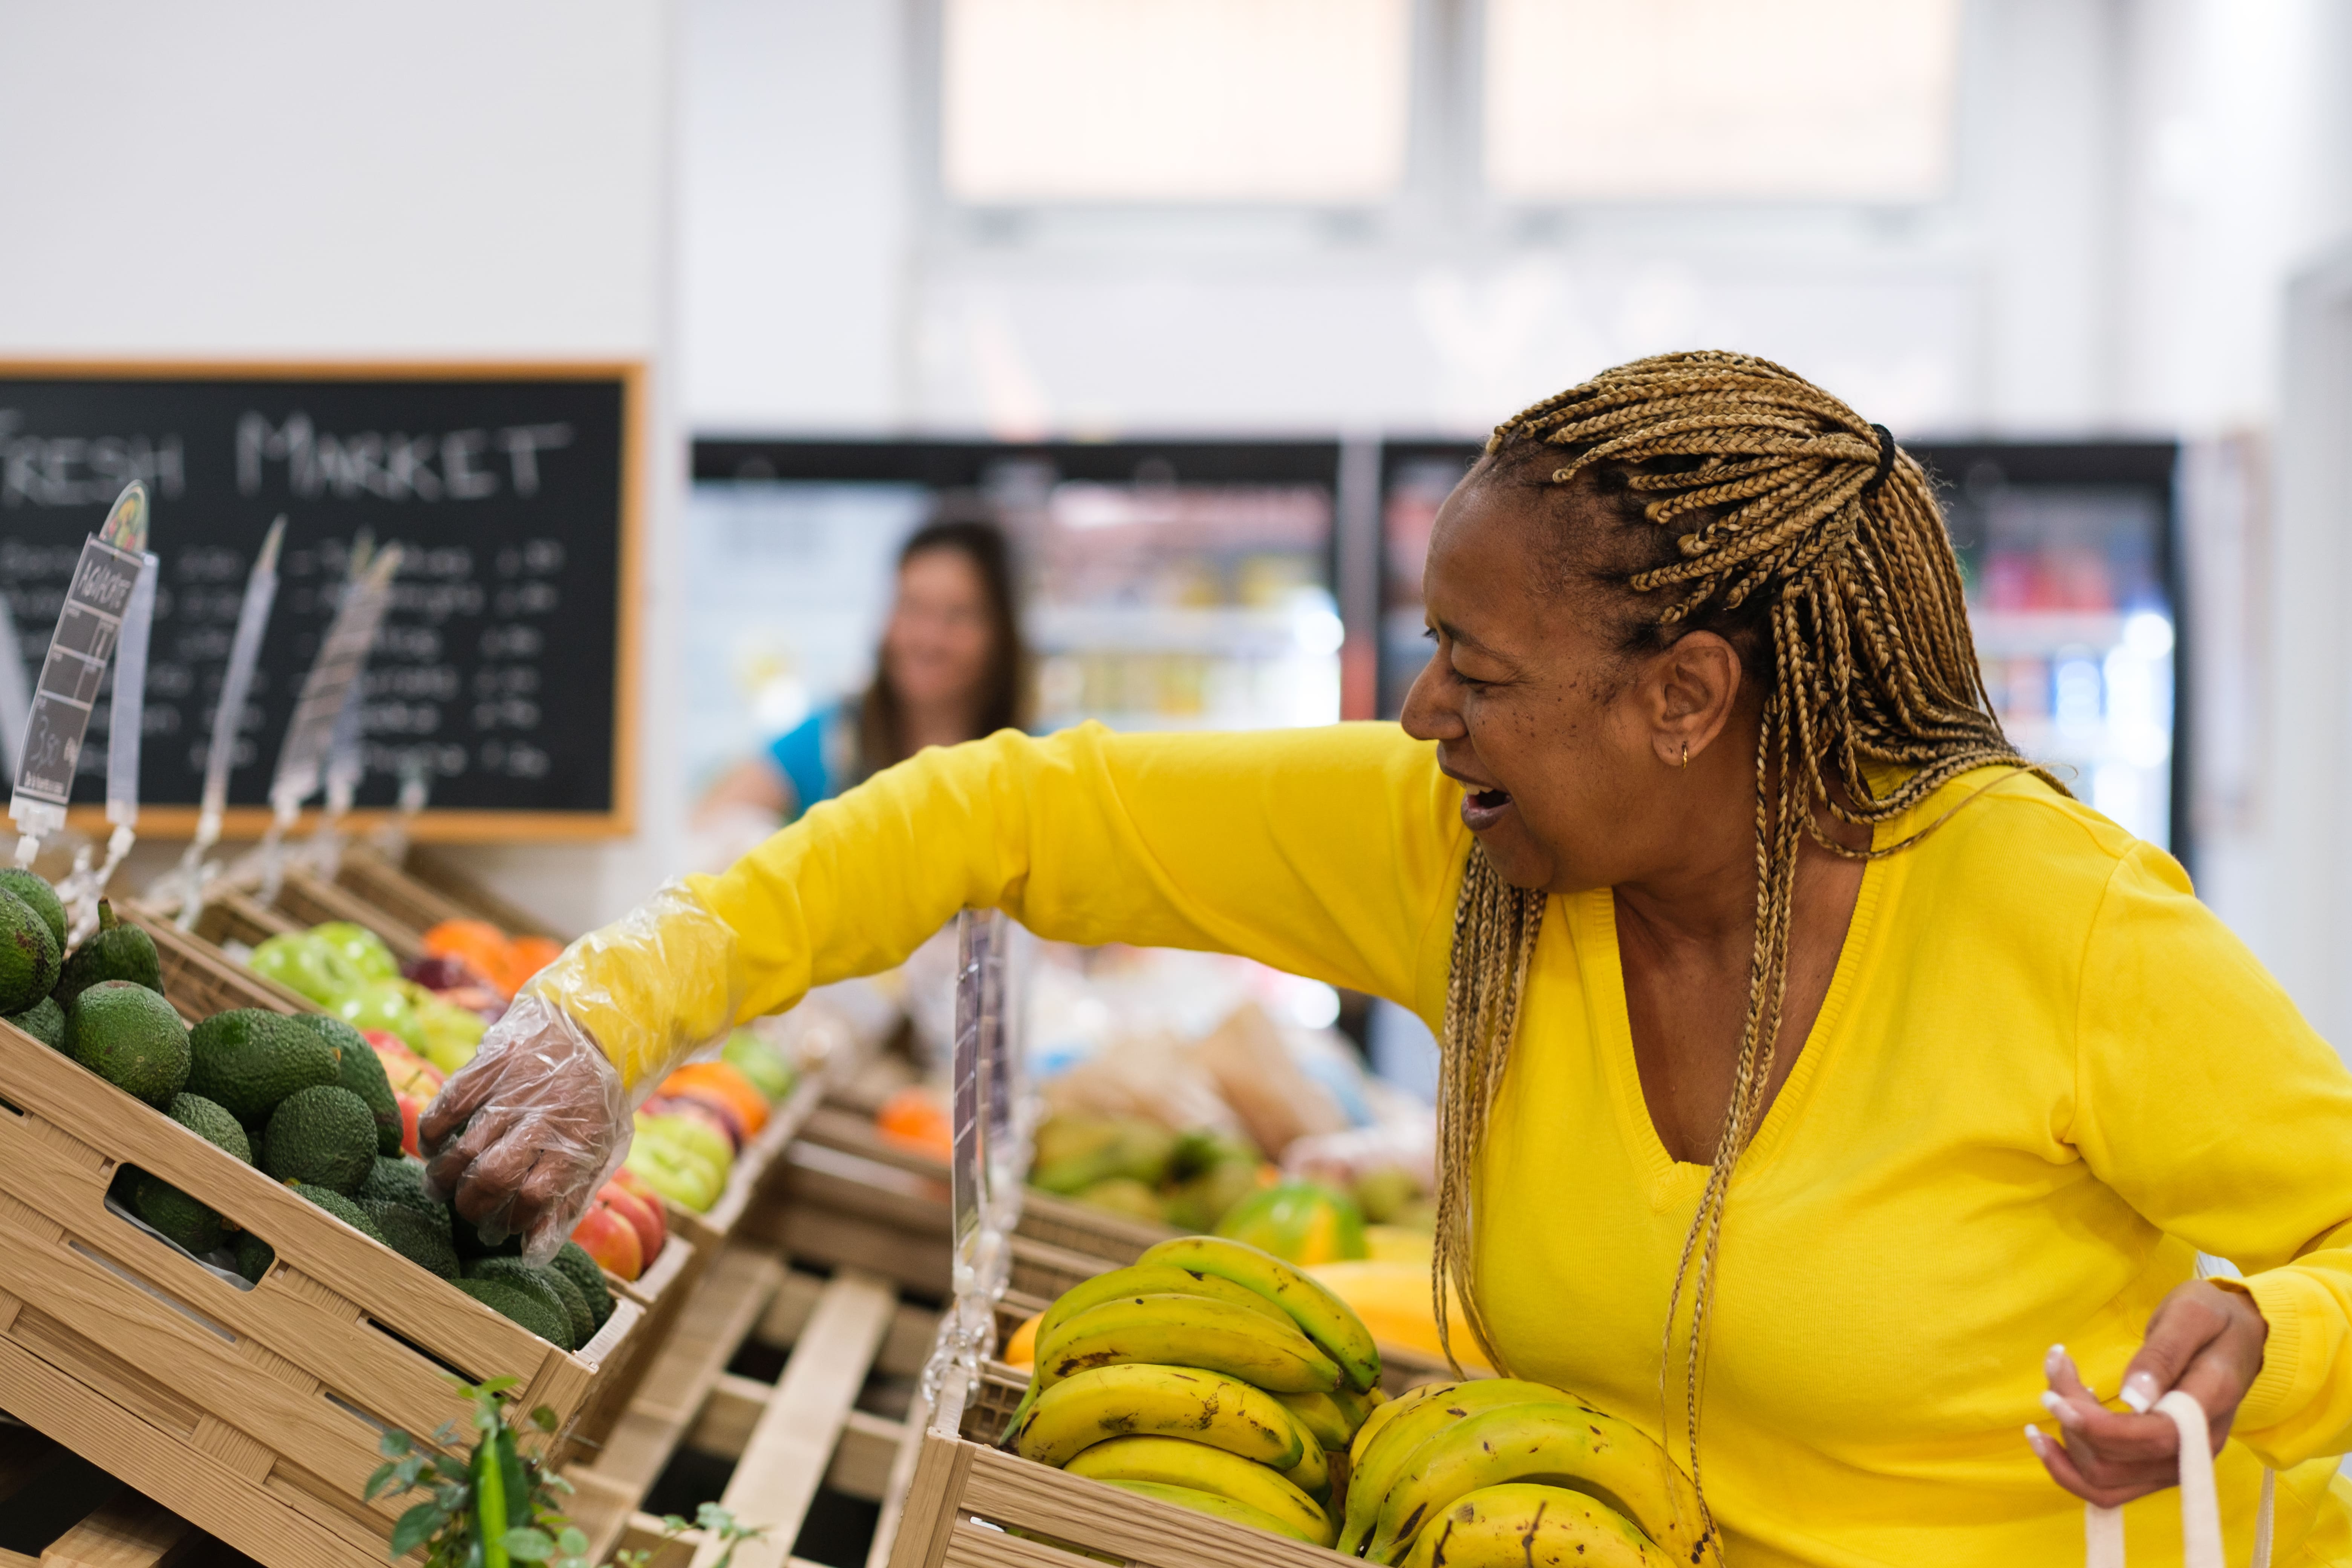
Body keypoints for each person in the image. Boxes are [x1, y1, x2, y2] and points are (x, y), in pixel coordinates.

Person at [422, 353, 2352, 1566]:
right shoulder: (1472, 862)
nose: (1426, 711)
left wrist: (2273, 1331)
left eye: (1481, 670)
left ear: (1687, 698)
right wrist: (613, 1006)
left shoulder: (2056, 923)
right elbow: (998, 808)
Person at [693, 517, 1027, 828]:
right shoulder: (828, 740)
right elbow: (706, 828)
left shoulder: (1030, 762)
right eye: (912, 608)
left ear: (1002, 632)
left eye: (957, 616)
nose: (928, 638)